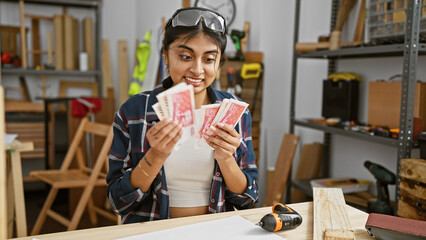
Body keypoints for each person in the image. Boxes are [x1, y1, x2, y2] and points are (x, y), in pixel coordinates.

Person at [106, 7, 258, 224]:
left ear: (219, 62)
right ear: (165, 56)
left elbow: (248, 199)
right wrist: (155, 157)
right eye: (185, 56)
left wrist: (226, 159)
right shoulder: (134, 111)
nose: (197, 70)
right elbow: (117, 201)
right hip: (151, 233)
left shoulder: (237, 113)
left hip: (214, 232)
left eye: (208, 59)